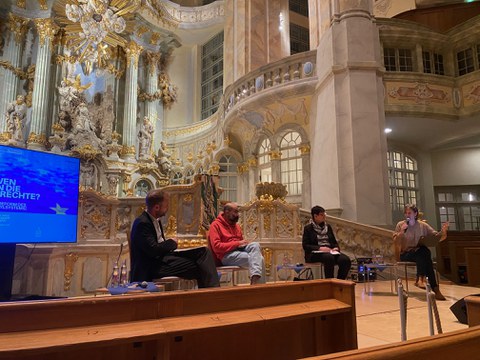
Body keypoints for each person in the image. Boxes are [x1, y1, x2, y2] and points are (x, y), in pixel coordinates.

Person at [130, 189, 220, 288]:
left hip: (164, 259)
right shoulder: (142, 223)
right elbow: (153, 250)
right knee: (201, 266)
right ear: (156, 207)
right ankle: (212, 295)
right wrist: (172, 242)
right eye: (166, 206)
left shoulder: (156, 220)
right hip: (153, 267)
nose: (167, 208)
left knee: (204, 252)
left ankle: (211, 294)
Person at [393, 204, 448, 300]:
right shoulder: (400, 225)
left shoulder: (423, 226)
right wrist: (401, 232)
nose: (407, 215)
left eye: (409, 213)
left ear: (415, 214)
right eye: (406, 213)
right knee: (425, 253)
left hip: (419, 254)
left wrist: (443, 232)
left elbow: (436, 237)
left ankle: (421, 279)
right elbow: (395, 242)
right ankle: (434, 288)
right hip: (406, 254)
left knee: (423, 252)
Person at [209, 203, 266, 285]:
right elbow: (217, 247)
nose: (237, 215)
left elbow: (240, 243)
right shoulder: (215, 225)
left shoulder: (237, 226)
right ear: (227, 212)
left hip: (239, 251)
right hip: (226, 256)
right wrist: (238, 243)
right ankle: (257, 286)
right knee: (260, 259)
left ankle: (255, 280)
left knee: (255, 245)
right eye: (235, 212)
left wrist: (244, 243)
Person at [302, 206, 351, 280]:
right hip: (315, 253)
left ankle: (340, 281)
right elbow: (305, 245)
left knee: (345, 260)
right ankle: (329, 282)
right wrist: (320, 248)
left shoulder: (328, 227)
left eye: (324, 214)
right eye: (322, 214)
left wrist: (335, 248)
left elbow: (334, 242)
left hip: (329, 252)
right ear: (315, 216)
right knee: (329, 258)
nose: (324, 216)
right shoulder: (308, 228)